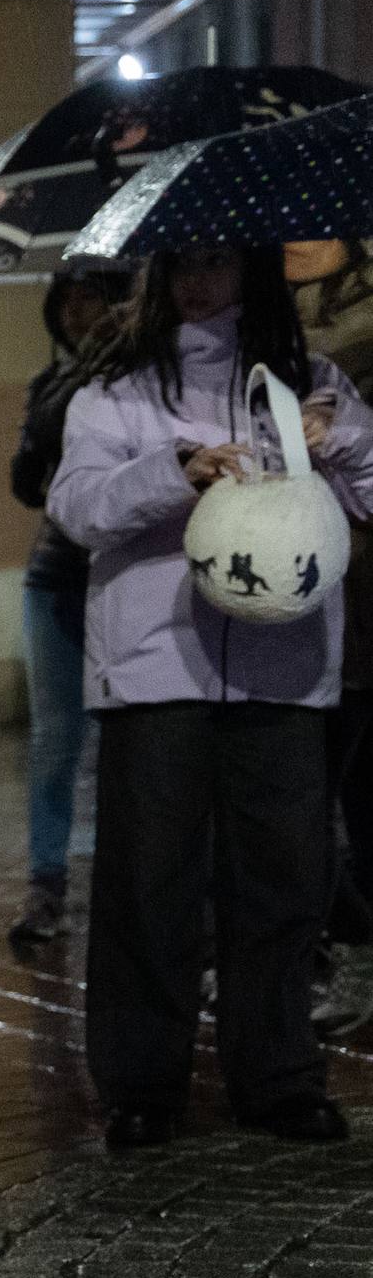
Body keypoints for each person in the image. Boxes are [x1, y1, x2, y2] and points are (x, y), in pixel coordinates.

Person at [50, 245, 373, 1148]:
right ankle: (140, 1084)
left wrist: (338, 438)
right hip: (155, 670)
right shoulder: (115, 391)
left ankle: (276, 1078)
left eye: (219, 263)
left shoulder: (313, 384)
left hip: (285, 669)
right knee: (148, 886)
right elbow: (75, 509)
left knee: (280, 884)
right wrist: (172, 470)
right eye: (180, 263)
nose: (197, 281)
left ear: (255, 272)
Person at [8, 273, 128, 949]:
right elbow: (24, 482)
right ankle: (45, 885)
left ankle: (123, 884)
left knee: (123, 743)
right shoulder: (48, 382)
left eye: (96, 297)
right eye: (70, 299)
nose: (81, 311)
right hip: (56, 573)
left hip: (124, 577)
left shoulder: (144, 373)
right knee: (56, 741)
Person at [297, 240, 373, 1031]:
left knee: (334, 786)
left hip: (360, 591)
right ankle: (309, 950)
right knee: (302, 793)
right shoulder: (230, 320)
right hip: (285, 593)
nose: (293, 234)